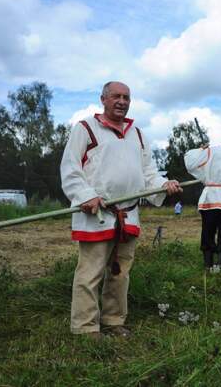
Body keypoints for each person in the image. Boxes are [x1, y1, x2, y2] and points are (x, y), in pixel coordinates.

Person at [61, 81, 182, 340]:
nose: (122, 101)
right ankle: (85, 328)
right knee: (89, 272)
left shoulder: (136, 133)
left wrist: (164, 183)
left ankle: (114, 321)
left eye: (126, 97)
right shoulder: (85, 129)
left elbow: (149, 172)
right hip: (96, 213)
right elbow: (70, 169)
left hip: (128, 214)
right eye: (116, 96)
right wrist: (85, 195)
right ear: (103, 99)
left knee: (120, 272)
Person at [184, 137, 221, 270]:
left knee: (208, 230)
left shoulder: (210, 151)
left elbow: (190, 162)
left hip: (210, 197)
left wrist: (201, 149)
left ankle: (208, 264)